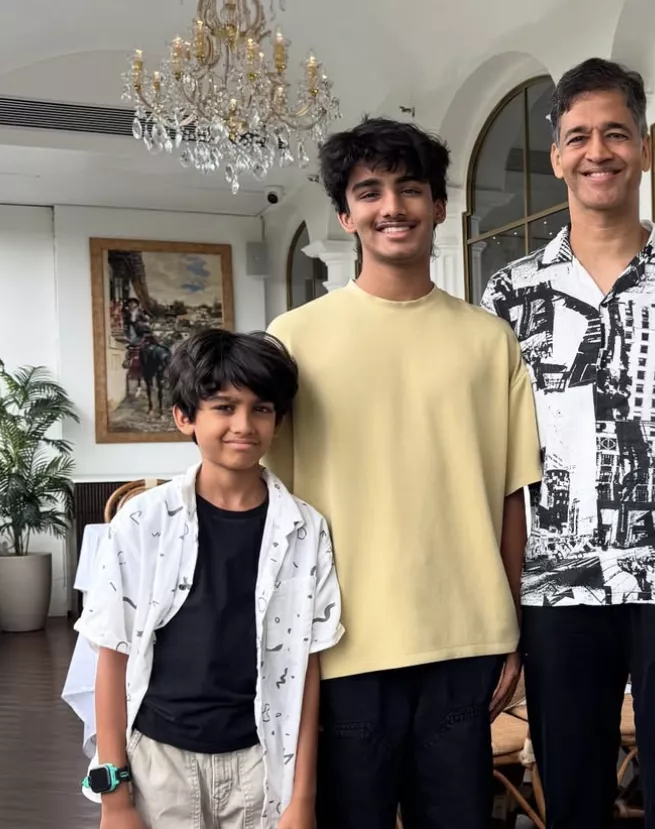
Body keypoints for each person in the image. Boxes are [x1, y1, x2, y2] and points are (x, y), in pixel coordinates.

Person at [265, 116, 542, 829]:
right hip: (342, 639)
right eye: (370, 192)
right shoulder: (294, 340)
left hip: (465, 638)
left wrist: (510, 625)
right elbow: (272, 505)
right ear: (345, 214)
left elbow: (511, 495)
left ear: (439, 206)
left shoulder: (490, 340)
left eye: (411, 188)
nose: (392, 206)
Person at [481, 58, 655, 829]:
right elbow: (498, 459)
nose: (597, 151)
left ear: (645, 147)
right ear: (556, 157)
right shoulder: (510, 292)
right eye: (578, 136)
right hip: (559, 585)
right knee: (573, 793)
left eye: (615, 133)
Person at [75, 329, 343, 829]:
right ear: (185, 417)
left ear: (278, 420)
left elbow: (307, 667)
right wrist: (115, 798)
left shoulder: (305, 530)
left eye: (261, 409)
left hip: (261, 765)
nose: (244, 425)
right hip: (159, 766)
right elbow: (112, 656)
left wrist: (301, 799)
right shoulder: (142, 522)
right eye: (224, 407)